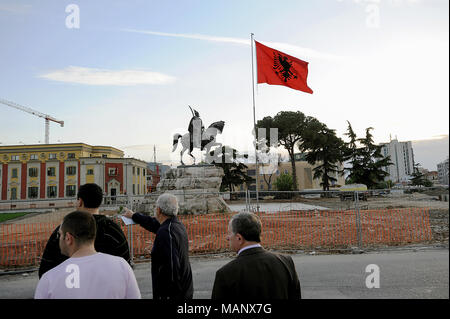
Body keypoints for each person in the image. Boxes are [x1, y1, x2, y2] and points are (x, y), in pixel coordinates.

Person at [35, 211, 141, 299]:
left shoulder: (49, 279)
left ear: (68, 238)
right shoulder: (122, 266)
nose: (58, 238)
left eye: (60, 234)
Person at [38, 183, 130, 278]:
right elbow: (126, 266)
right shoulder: (114, 230)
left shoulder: (63, 231)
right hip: (108, 289)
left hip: (69, 289)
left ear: (80, 201)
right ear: (100, 202)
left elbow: (45, 270)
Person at [211, 212, 301, 299]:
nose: (227, 237)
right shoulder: (286, 261)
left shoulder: (226, 274)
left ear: (239, 238)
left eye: (229, 233)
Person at [123, 193, 193, 299]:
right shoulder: (175, 225)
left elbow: (171, 268)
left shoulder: (166, 233)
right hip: (184, 289)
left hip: (174, 294)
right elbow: (153, 223)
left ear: (159, 210)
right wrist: (134, 216)